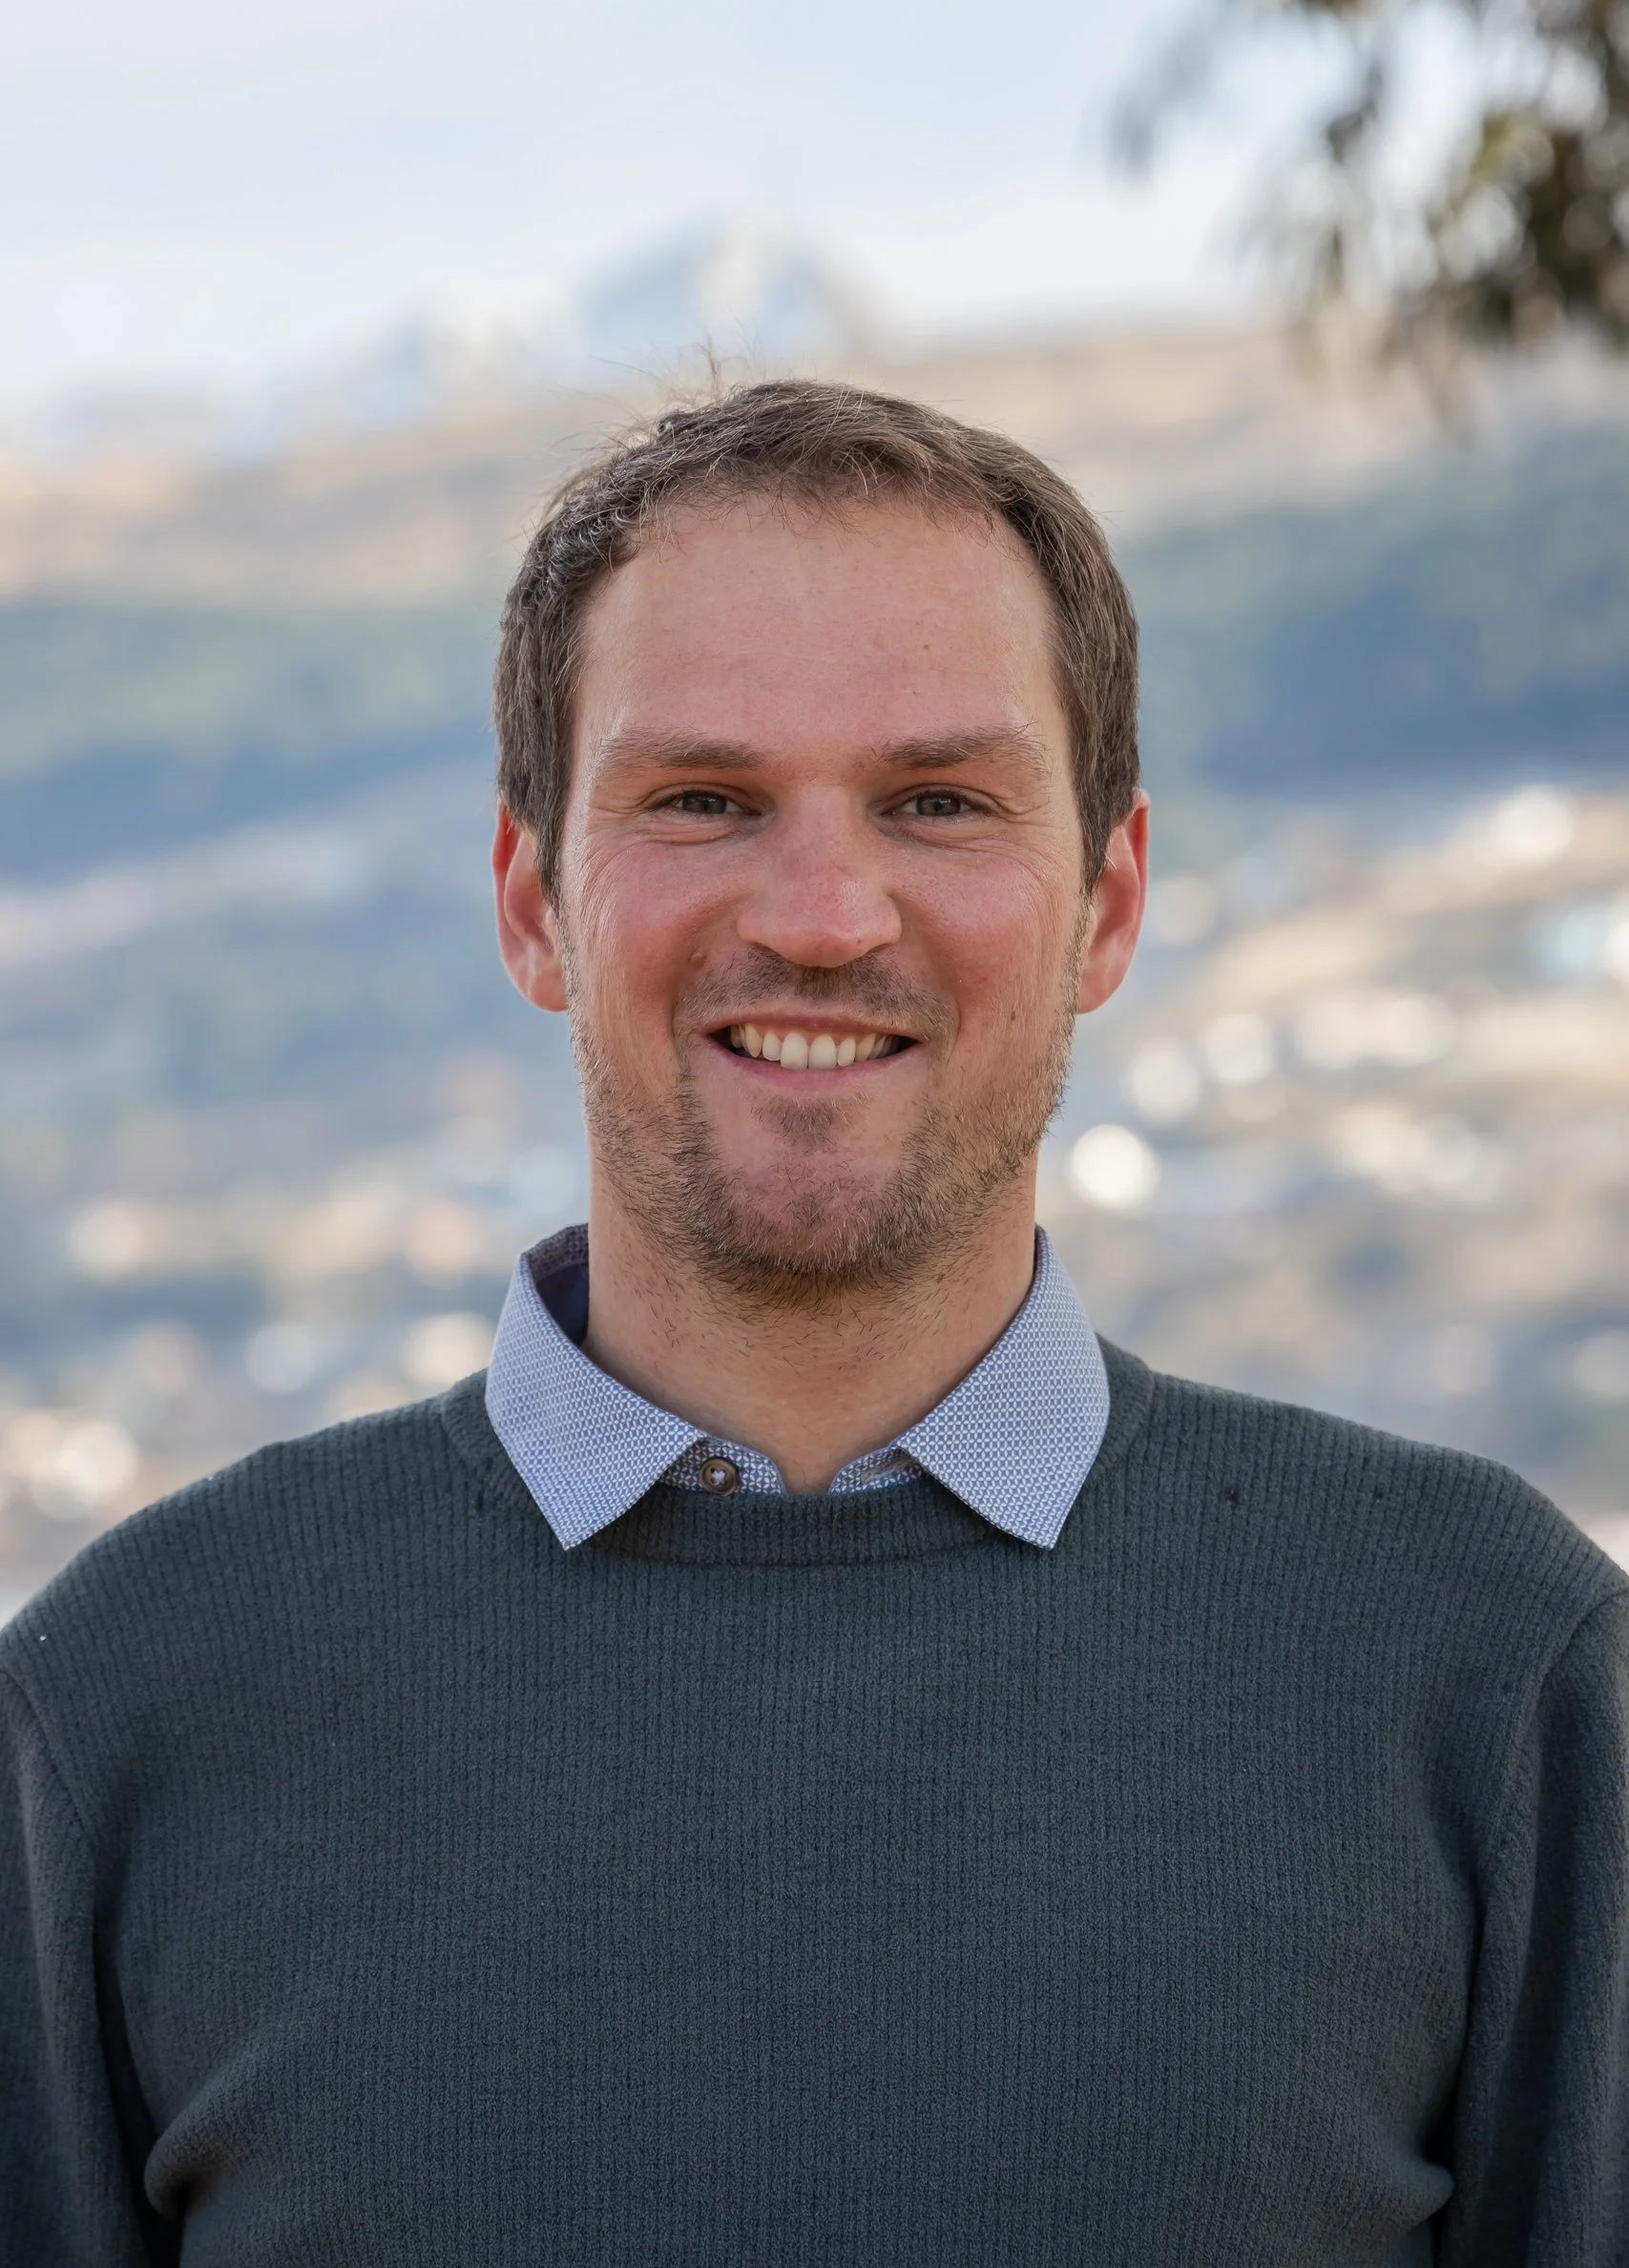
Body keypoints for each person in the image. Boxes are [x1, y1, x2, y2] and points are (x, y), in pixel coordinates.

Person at [2, 380, 1625, 2266]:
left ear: (1106, 901)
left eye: (938, 800)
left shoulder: (1483, 1675)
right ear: (533, 901)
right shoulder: (124, 1711)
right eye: (705, 800)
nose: (828, 912)